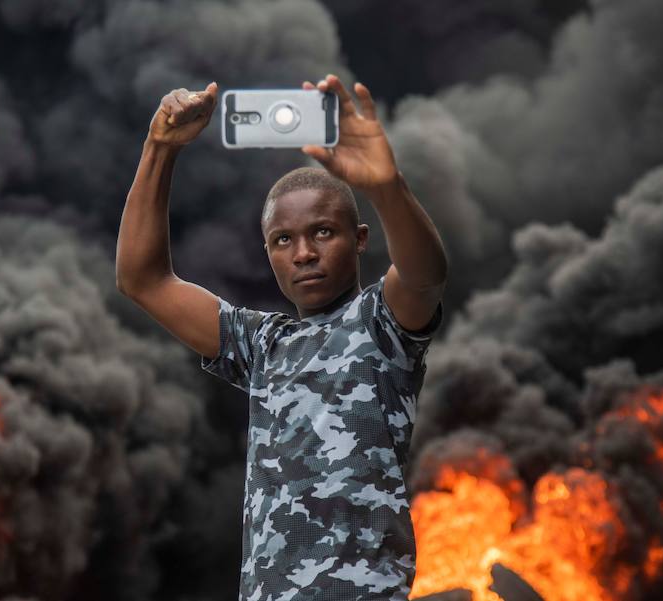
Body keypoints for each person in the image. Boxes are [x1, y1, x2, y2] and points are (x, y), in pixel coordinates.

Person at [116, 74, 448, 601]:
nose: (303, 254)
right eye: (282, 240)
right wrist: (160, 148)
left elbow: (425, 275)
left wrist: (386, 186)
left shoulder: (380, 324)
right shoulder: (262, 344)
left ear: (359, 239)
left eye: (322, 232)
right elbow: (143, 280)